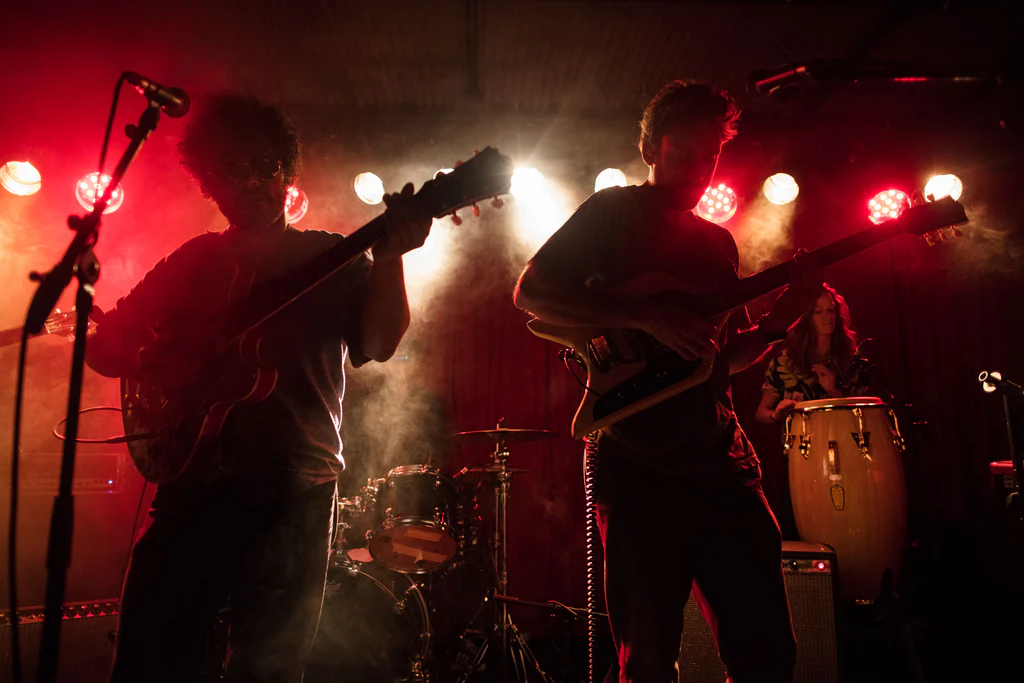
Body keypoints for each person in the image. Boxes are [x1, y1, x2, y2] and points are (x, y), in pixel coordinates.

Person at [85, 94, 432, 682]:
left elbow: (378, 343)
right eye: (230, 170)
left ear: (286, 172)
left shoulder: (331, 256)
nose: (249, 180)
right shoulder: (193, 262)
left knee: (269, 667)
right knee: (147, 655)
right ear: (210, 186)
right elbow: (106, 349)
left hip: (295, 489)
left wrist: (391, 258)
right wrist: (159, 364)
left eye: (263, 165)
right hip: (192, 483)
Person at [513, 80, 823, 683]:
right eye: (684, 154)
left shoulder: (718, 243)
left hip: (723, 464)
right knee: (648, 663)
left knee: (768, 656)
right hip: (637, 469)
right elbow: (531, 292)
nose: (700, 170)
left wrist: (786, 314)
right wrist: (644, 315)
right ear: (650, 149)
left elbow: (718, 362)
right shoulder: (612, 212)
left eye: (711, 157)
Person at [756, 284, 870, 425]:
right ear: (806, 318)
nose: (828, 316)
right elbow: (761, 414)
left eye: (831, 309)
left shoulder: (850, 359)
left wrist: (834, 391)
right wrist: (775, 415)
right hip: (800, 438)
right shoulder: (783, 362)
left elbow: (865, 417)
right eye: (819, 311)